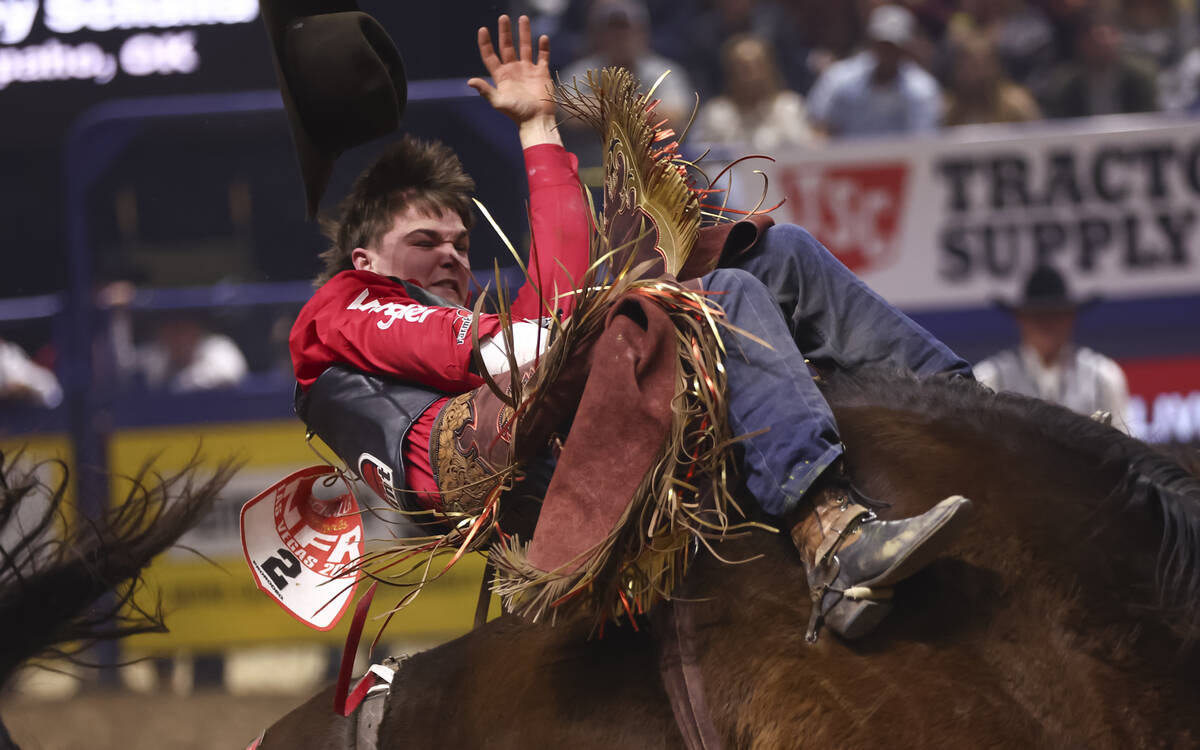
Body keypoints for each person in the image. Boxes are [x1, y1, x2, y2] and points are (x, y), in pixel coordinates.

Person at [283, 13, 974, 641]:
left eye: (462, 245)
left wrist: (537, 128)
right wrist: (620, 302)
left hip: (533, 411)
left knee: (780, 253)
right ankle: (829, 531)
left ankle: (975, 416)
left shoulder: (475, 330)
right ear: (367, 259)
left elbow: (552, 307)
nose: (452, 256)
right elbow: (497, 347)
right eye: (426, 241)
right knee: (720, 294)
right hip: (491, 457)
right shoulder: (340, 306)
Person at [975, 265, 1129, 430]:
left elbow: (1121, 443)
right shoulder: (989, 379)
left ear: (1070, 317)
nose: (1047, 324)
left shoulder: (1102, 377)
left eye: (1055, 314)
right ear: (1022, 319)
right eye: (1038, 316)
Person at [805, 4, 942, 139]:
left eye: (893, 46)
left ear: (906, 48)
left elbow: (923, 140)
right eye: (882, 45)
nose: (887, 52)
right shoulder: (839, 79)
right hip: (847, 153)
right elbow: (818, 125)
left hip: (901, 154)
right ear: (871, 43)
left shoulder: (922, 90)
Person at [691, 34, 816, 151]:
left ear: (770, 68)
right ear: (730, 73)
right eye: (744, 68)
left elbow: (808, 153)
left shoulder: (791, 108)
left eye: (759, 66)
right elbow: (700, 159)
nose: (753, 75)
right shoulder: (715, 114)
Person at [942, 30, 1041, 126]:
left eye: (976, 65)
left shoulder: (1017, 104)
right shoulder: (949, 109)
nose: (970, 73)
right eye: (964, 66)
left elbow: (1037, 134)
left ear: (993, 66)